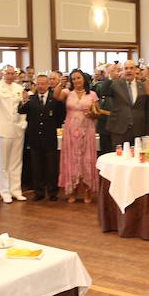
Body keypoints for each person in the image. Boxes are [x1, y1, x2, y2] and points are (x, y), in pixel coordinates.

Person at [18, 74, 65, 201]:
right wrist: (23, 101)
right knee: (36, 167)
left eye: (43, 83)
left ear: (48, 84)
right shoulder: (31, 99)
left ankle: (52, 192)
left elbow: (61, 116)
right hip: (35, 139)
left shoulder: (54, 99)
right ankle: (38, 192)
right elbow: (21, 111)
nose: (40, 86)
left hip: (49, 138)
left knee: (51, 168)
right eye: (38, 83)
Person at [55, 69, 99, 203]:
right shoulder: (67, 93)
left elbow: (97, 113)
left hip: (87, 128)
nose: (76, 81)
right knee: (71, 159)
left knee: (87, 159)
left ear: (84, 79)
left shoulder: (92, 94)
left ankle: (87, 192)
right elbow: (56, 96)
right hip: (71, 129)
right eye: (73, 79)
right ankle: (71, 191)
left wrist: (91, 114)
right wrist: (60, 83)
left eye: (78, 78)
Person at [0, 65, 28, 203]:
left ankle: (16, 190)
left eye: (12, 73)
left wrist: (23, 123)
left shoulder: (19, 88)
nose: (10, 76)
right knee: (4, 163)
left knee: (16, 162)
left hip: (18, 129)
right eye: (8, 73)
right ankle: (5, 192)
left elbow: (22, 106)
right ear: (3, 74)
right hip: (3, 129)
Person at [97, 59, 149, 147]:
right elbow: (103, 92)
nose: (128, 70)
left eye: (131, 68)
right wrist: (111, 77)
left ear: (135, 70)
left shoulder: (142, 86)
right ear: (123, 70)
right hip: (119, 129)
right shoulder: (116, 84)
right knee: (119, 155)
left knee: (137, 154)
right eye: (126, 68)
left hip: (138, 129)